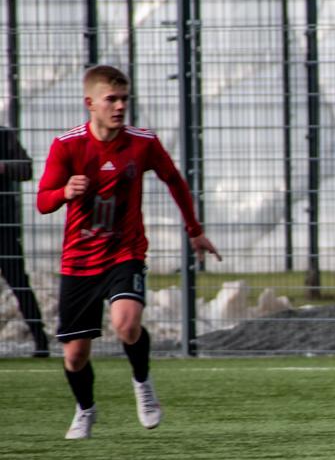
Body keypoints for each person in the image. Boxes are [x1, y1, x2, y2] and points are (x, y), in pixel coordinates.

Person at [37, 64, 221, 440]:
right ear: (90, 103)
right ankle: (85, 409)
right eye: (112, 99)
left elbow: (174, 179)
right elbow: (42, 202)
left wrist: (195, 230)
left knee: (126, 324)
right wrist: (64, 193)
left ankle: (142, 382)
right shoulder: (67, 146)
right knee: (75, 355)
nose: (120, 106)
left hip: (125, 251)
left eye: (124, 99)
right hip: (79, 261)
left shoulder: (142, 142)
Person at [0, 126, 49, 357]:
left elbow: (26, 168)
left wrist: (3, 166)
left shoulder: (3, 135)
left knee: (19, 282)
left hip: (4, 227)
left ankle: (41, 340)